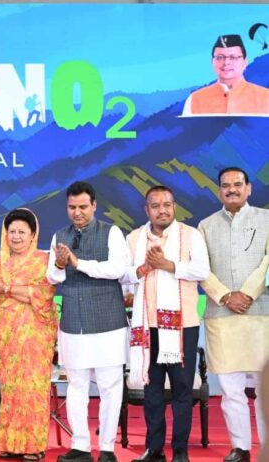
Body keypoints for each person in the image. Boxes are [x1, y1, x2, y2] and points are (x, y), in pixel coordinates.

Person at [123, 186, 210, 462]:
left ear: (174, 207)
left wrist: (167, 264)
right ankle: (154, 449)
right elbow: (124, 276)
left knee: (183, 389)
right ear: (146, 209)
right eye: (155, 205)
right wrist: (143, 269)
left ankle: (180, 450)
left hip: (182, 326)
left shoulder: (190, 235)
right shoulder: (135, 238)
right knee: (152, 389)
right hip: (147, 325)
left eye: (167, 205)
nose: (162, 210)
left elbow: (202, 270)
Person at [46, 181, 129, 462]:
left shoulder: (111, 232)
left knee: (110, 387)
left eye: (83, 206)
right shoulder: (60, 235)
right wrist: (60, 265)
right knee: (77, 386)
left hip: (108, 322)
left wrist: (77, 263)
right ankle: (80, 446)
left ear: (94, 205)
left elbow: (117, 269)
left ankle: (107, 448)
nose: (77, 212)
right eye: (72, 207)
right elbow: (52, 278)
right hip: (73, 322)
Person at [198, 167, 269, 462]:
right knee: (231, 389)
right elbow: (200, 269)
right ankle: (240, 448)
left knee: (266, 390)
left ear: (248, 188)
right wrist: (226, 296)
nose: (232, 189)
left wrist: (248, 293)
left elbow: (268, 262)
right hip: (221, 315)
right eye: (225, 185)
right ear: (219, 191)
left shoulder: (266, 219)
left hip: (261, 314)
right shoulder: (205, 226)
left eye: (238, 184)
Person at [0, 208, 57, 461]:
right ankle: (9, 443)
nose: (16, 236)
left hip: (35, 336)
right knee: (10, 389)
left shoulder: (43, 261)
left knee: (32, 388)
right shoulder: (1, 263)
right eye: (11, 231)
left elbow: (43, 296)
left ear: (33, 234)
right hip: (8, 338)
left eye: (21, 232)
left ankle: (33, 446)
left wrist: (6, 288)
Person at [182, 34, 269, 116]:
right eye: (220, 57)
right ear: (212, 61)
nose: (226, 62)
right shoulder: (195, 99)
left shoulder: (265, 97)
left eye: (233, 57)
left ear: (245, 61)